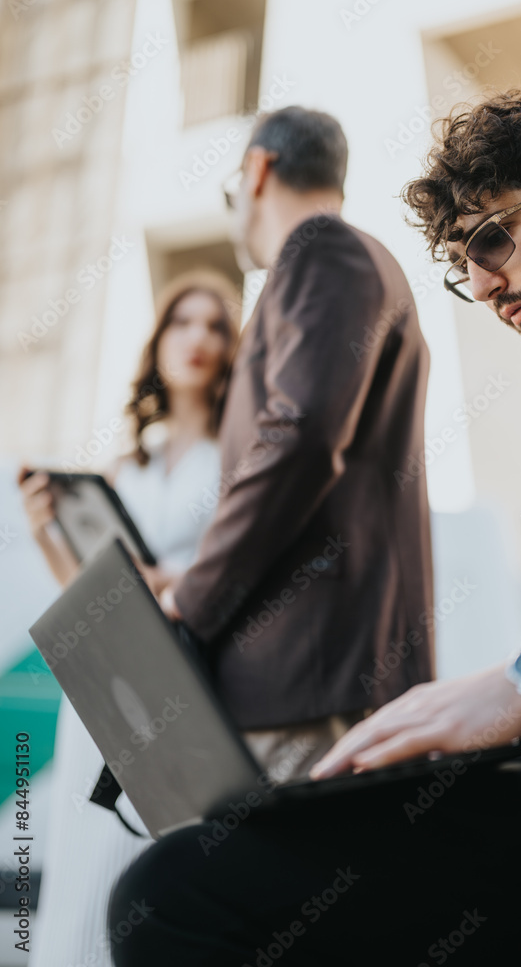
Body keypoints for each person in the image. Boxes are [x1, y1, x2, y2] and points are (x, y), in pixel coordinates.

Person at [109, 88, 521, 967]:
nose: (479, 285)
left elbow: (299, 444)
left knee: (177, 897)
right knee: (177, 888)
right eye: (460, 262)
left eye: (492, 239)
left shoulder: (325, 255)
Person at [154, 106, 435, 777]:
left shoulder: (320, 249)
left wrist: (194, 596)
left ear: (257, 171)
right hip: (323, 676)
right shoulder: (346, 261)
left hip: (306, 678)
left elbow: (300, 436)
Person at [20, 268, 240, 967]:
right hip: (101, 686)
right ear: (159, 340)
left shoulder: (239, 458)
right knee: (78, 877)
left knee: (145, 875)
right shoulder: (123, 467)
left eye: (215, 325)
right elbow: (87, 595)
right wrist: (45, 532)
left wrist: (169, 580)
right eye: (183, 322)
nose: (198, 337)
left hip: (176, 684)